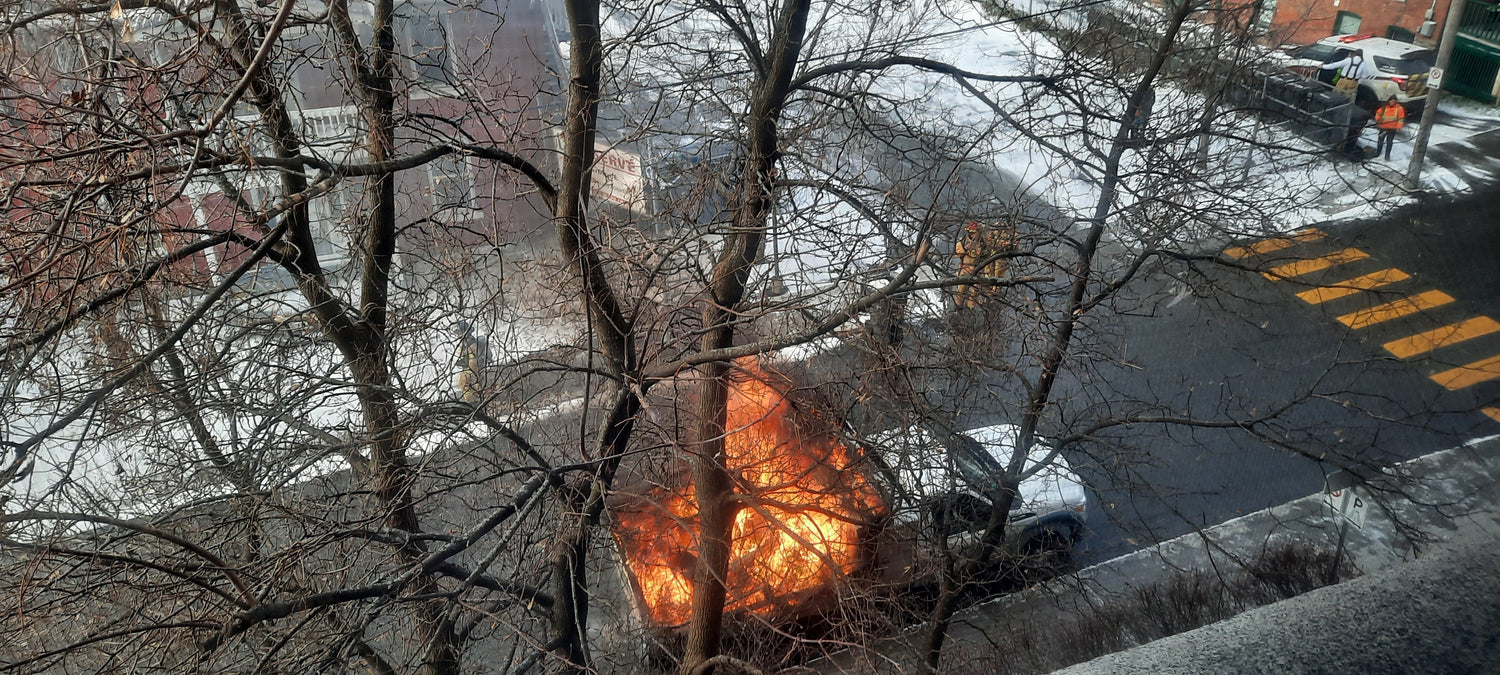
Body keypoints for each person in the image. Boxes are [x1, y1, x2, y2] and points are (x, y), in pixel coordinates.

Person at [453, 320, 491, 405]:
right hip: (469, 370)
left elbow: (473, 361)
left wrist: (472, 373)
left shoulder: (471, 345)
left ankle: (474, 405)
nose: (458, 335)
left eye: (459, 333)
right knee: (467, 387)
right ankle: (474, 404)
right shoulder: (466, 344)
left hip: (472, 371)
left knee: (470, 387)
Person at [1374, 96, 1406, 161]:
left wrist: (1398, 127)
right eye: (1391, 101)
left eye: (1393, 101)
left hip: (1392, 128)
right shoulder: (1384, 108)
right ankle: (1377, 153)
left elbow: (1401, 119)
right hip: (1383, 127)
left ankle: (1387, 156)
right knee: (1380, 141)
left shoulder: (1399, 108)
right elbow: (1377, 114)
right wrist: (1378, 119)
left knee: (1389, 142)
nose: (1392, 103)